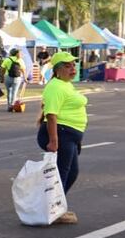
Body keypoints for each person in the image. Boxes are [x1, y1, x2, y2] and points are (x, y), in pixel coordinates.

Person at [37, 51, 88, 225]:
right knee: (62, 173)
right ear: (58, 70)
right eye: (68, 66)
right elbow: (51, 115)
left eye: (73, 65)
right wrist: (54, 141)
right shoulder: (55, 87)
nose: (72, 69)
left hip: (69, 135)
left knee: (70, 172)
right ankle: (53, 209)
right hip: (60, 133)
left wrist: (77, 139)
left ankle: (55, 206)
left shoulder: (66, 85)